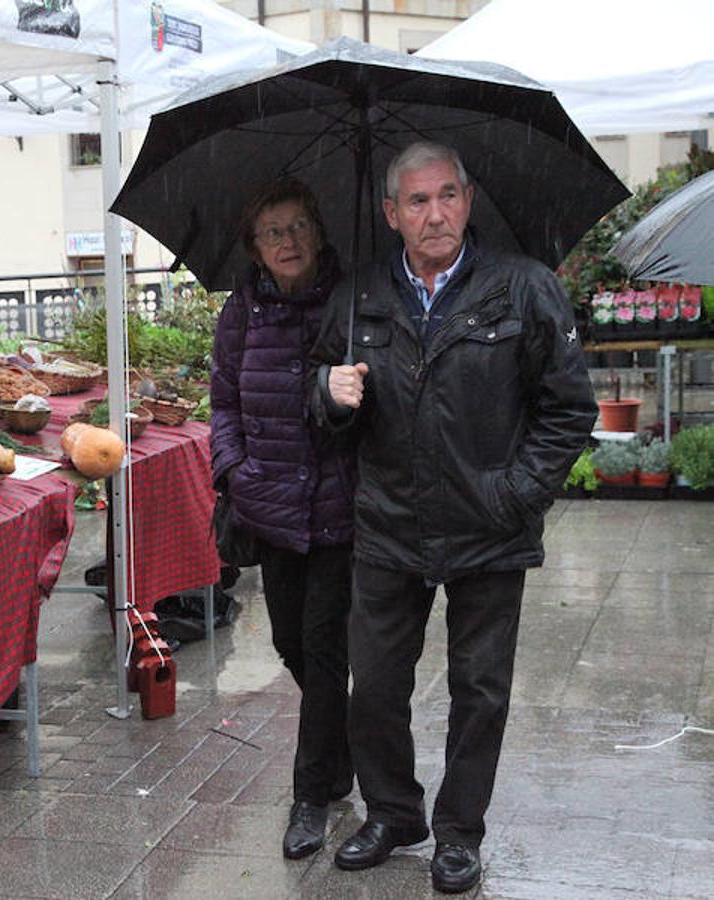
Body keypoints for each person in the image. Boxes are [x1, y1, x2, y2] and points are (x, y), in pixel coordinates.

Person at [309, 142, 597, 894]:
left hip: (488, 530)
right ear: (391, 213)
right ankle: (393, 812)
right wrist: (326, 395)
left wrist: (514, 494)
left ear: (468, 200)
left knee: (480, 690)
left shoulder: (524, 289)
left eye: (447, 196)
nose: (434, 214)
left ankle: (460, 831)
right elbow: (323, 409)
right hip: (390, 527)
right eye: (416, 201)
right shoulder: (358, 298)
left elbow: (568, 411)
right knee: (371, 686)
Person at [210, 179, 357, 860]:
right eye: (274, 231)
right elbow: (223, 405)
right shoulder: (241, 312)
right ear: (255, 247)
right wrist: (233, 472)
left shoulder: (354, 301)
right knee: (291, 645)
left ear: (320, 233)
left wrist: (342, 397)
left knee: (324, 650)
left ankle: (309, 797)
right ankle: (344, 745)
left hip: (338, 505)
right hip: (269, 504)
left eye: (300, 226)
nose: (289, 240)